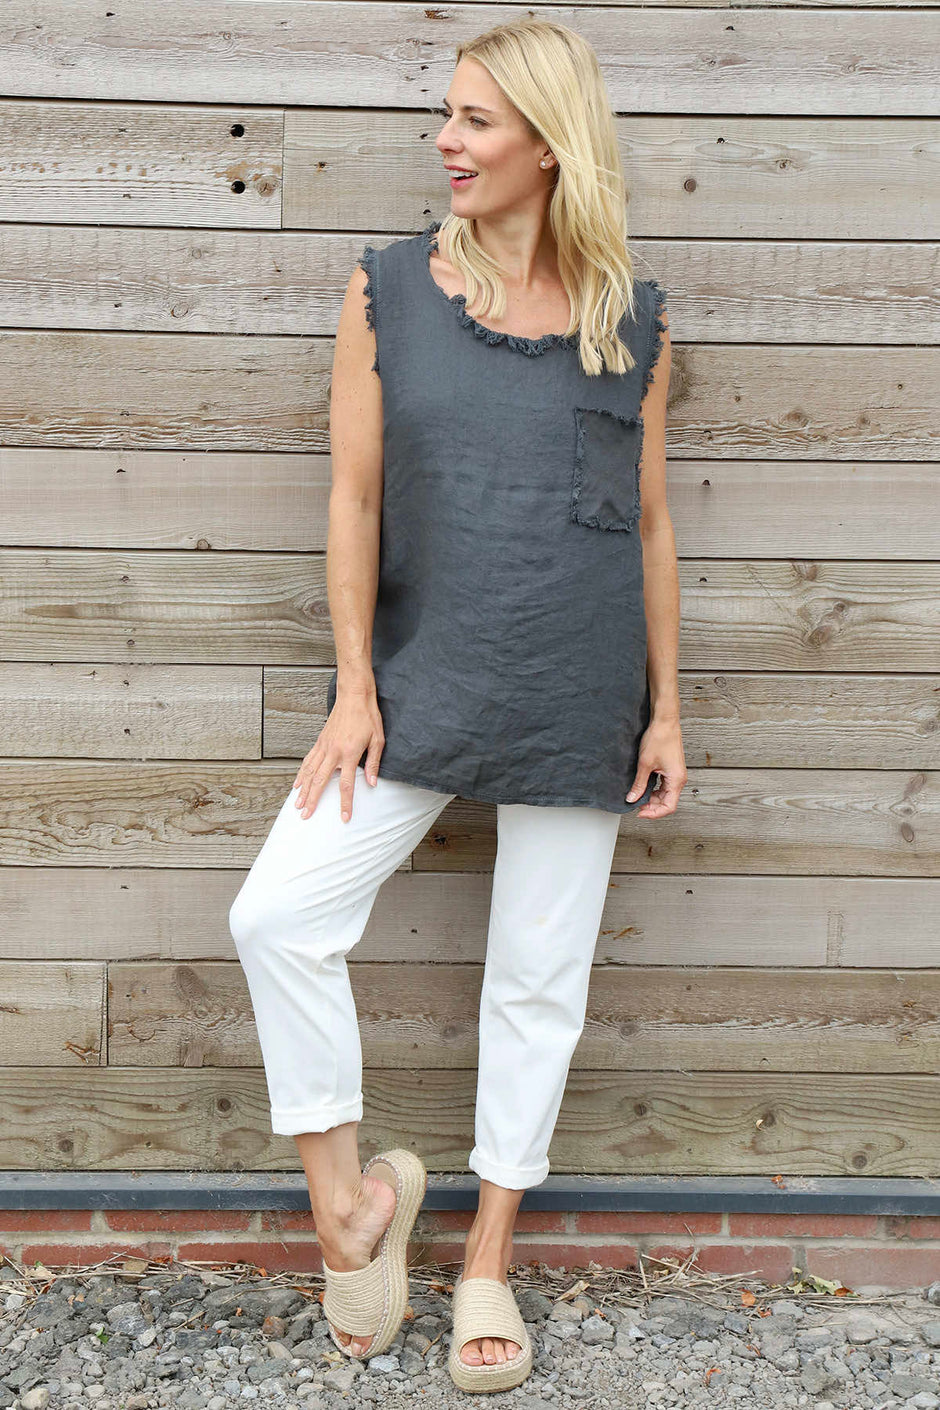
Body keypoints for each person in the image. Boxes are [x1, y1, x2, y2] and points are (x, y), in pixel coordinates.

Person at [228, 14, 685, 1394]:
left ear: (550, 143)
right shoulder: (389, 293)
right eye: (448, 114)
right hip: (422, 678)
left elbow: (650, 524)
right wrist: (354, 685)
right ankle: (350, 1206)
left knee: (537, 985)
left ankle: (487, 1257)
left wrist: (666, 709)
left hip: (577, 689)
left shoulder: (631, 319)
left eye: (476, 120)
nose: (447, 141)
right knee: (277, 916)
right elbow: (354, 496)